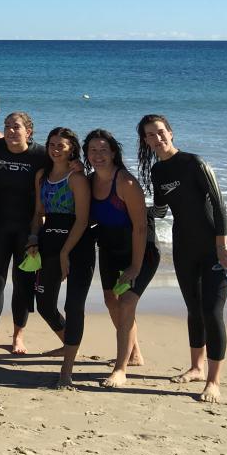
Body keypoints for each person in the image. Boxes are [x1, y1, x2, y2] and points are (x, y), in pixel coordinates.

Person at [137, 114, 227, 403]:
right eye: (150, 135)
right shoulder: (157, 172)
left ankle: (214, 381)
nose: (157, 138)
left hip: (214, 247)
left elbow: (219, 204)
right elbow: (162, 209)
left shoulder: (195, 163)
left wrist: (221, 244)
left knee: (212, 311)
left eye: (161, 132)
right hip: (183, 248)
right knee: (194, 308)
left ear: (171, 132)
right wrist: (132, 210)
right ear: (145, 140)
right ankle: (196, 367)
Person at [85, 128, 159, 389]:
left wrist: (135, 267)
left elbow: (141, 228)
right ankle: (134, 351)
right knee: (111, 301)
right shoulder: (90, 181)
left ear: (114, 152)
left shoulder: (126, 183)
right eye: (92, 150)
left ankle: (121, 369)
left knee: (127, 303)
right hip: (109, 248)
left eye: (103, 150)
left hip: (141, 250)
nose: (98, 155)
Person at [0, 111, 46, 358]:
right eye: (7, 126)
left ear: (29, 131)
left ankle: (18, 335)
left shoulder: (40, 155)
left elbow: (64, 167)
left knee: (23, 283)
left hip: (28, 230)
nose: (11, 131)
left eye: (16, 127)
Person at [26, 127, 93, 387]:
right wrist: (33, 239)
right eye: (52, 144)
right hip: (48, 242)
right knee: (44, 303)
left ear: (71, 149)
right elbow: (38, 213)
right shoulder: (42, 176)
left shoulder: (77, 177)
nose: (55, 149)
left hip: (77, 244)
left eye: (61, 145)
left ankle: (67, 369)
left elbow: (83, 219)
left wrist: (66, 252)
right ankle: (68, 344)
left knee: (73, 306)